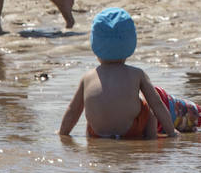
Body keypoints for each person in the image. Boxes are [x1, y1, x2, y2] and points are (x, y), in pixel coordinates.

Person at [58, 8, 180, 141]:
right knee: (149, 109)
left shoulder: (87, 78)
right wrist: (171, 131)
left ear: (95, 44)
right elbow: (157, 104)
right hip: (131, 131)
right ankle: (150, 141)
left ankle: (92, 144)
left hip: (97, 133)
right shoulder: (137, 74)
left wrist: (63, 133)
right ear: (130, 43)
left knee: (91, 116)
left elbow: (73, 110)